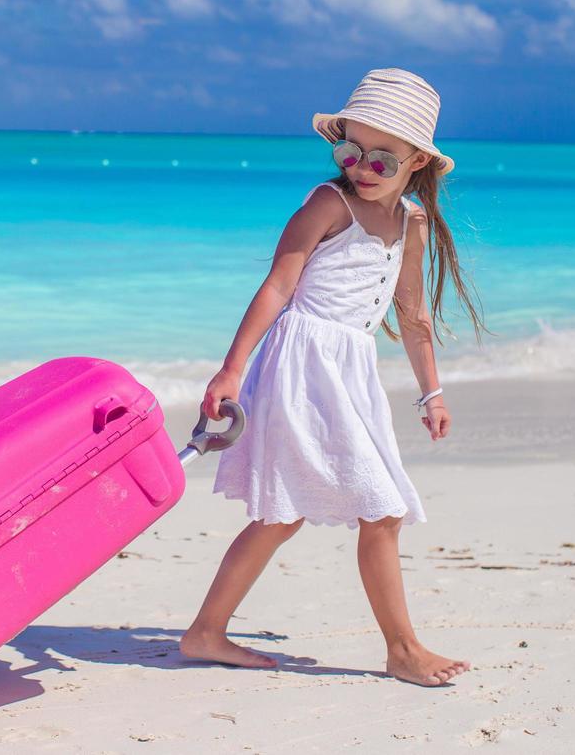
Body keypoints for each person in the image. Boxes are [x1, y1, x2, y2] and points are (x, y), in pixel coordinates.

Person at [181, 67, 492, 687]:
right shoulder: (329, 203)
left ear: (416, 165)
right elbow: (277, 286)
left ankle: (204, 633)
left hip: (350, 377)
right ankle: (401, 650)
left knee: (286, 515)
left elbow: (412, 313)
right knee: (380, 508)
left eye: (382, 159)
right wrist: (231, 368)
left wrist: (431, 390)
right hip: (301, 370)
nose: (361, 168)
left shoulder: (412, 224)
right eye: (350, 150)